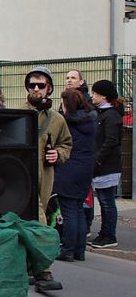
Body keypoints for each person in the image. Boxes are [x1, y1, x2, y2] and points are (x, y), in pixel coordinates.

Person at [21, 66, 72, 292]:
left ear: (49, 88)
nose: (36, 89)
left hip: (44, 180)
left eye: (40, 85)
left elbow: (66, 144)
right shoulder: (15, 111)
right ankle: (42, 272)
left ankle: (32, 269)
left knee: (35, 223)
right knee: (36, 225)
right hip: (17, 179)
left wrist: (57, 154)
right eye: (32, 85)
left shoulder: (57, 119)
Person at [52, 89, 96, 262]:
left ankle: (68, 249)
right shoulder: (90, 120)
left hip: (68, 168)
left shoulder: (66, 122)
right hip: (85, 168)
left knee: (69, 210)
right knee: (78, 209)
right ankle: (80, 250)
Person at [88, 79, 124, 249]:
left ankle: (109, 235)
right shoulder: (101, 113)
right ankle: (105, 233)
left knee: (107, 201)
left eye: (95, 93)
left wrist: (98, 158)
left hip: (107, 166)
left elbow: (111, 141)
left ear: (103, 96)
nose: (92, 96)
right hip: (102, 164)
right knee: (103, 200)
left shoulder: (111, 115)